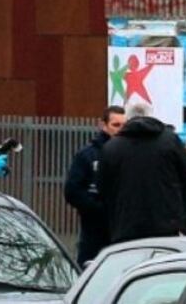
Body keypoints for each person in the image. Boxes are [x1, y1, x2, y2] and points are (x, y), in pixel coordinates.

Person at [97, 101, 186, 244]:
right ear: (151, 115)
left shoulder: (111, 147)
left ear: (127, 118)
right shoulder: (170, 141)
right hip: (166, 227)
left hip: (126, 228)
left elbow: (103, 188)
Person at [64, 105, 125, 267]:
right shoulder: (88, 155)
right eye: (116, 125)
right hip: (94, 231)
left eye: (124, 126)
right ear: (103, 125)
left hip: (122, 229)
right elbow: (72, 190)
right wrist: (98, 209)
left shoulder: (129, 154)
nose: (120, 130)